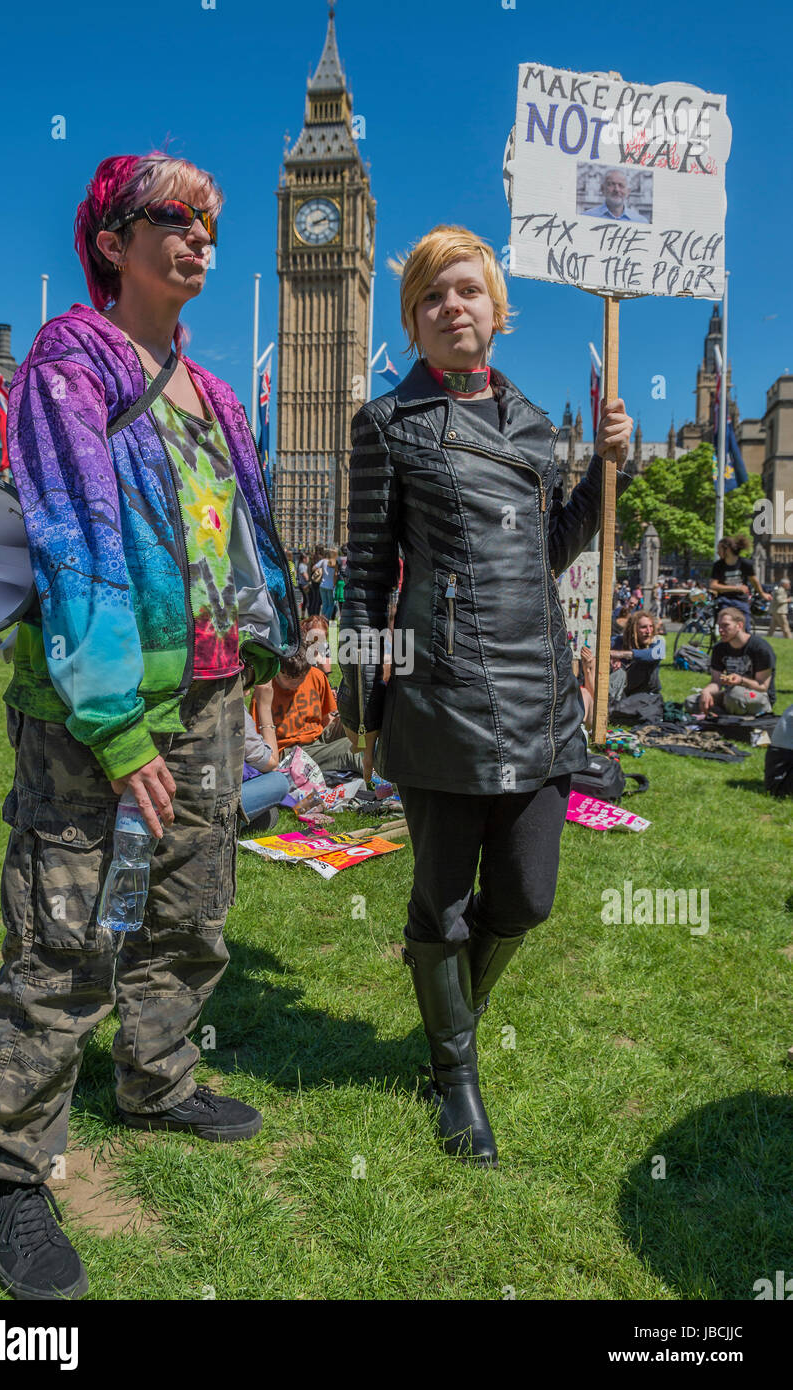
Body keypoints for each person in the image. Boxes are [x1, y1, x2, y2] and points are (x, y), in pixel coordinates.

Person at [0, 149, 300, 1301]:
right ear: (113, 242)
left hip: (207, 697)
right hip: (96, 710)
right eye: (177, 220)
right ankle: (13, 1166)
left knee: (192, 906)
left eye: (212, 224)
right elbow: (72, 542)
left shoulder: (212, 392)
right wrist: (114, 724)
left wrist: (265, 659)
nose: (203, 240)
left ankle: (157, 1077)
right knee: (66, 930)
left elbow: (237, 543)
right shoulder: (74, 362)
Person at [337, 224, 633, 1167]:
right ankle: (454, 1073)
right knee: (442, 901)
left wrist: (604, 474)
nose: (450, 306)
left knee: (529, 899)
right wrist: (362, 711)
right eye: (430, 296)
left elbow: (546, 554)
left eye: (465, 290)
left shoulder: (541, 428)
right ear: (414, 323)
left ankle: (454, 1009)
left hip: (543, 697)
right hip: (442, 699)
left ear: (497, 311)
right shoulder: (387, 424)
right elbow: (364, 578)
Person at [251, 652, 365, 775]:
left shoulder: (316, 676)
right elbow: (261, 743)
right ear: (276, 670)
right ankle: (379, 786)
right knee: (351, 749)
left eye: (301, 677)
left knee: (360, 726)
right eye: (288, 678)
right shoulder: (264, 694)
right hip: (289, 751)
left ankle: (382, 769)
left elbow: (327, 720)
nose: (296, 683)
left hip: (318, 736)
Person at [684, 607, 775, 716]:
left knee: (734, 696)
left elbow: (763, 686)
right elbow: (716, 681)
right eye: (719, 626)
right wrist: (706, 691)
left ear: (739, 626)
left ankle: (727, 719)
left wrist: (741, 680)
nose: (720, 630)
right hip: (730, 694)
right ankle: (723, 718)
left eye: (726, 625)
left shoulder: (760, 648)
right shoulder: (719, 648)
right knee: (692, 702)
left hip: (757, 695)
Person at [241, 667, 291, 833]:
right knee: (278, 781)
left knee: (268, 816)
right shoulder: (233, 709)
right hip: (211, 803)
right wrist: (264, 706)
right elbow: (271, 763)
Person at [708, 534, 769, 634]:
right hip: (724, 600)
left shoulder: (745, 564)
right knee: (726, 625)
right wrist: (736, 588)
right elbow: (713, 585)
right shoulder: (718, 565)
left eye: (719, 549)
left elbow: (754, 581)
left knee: (745, 629)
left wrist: (762, 594)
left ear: (727, 550)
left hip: (740, 600)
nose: (717, 552)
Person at [584, 170, 648, 223]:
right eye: (611, 184)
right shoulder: (587, 217)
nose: (617, 189)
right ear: (602, 189)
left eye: (621, 185)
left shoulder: (641, 221)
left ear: (628, 192)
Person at [319, 547, 337, 620]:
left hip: (322, 585)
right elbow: (335, 575)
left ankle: (322, 620)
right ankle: (325, 618)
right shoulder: (335, 562)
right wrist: (334, 584)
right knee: (331, 605)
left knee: (325, 604)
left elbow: (314, 567)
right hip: (331, 586)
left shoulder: (323, 561)